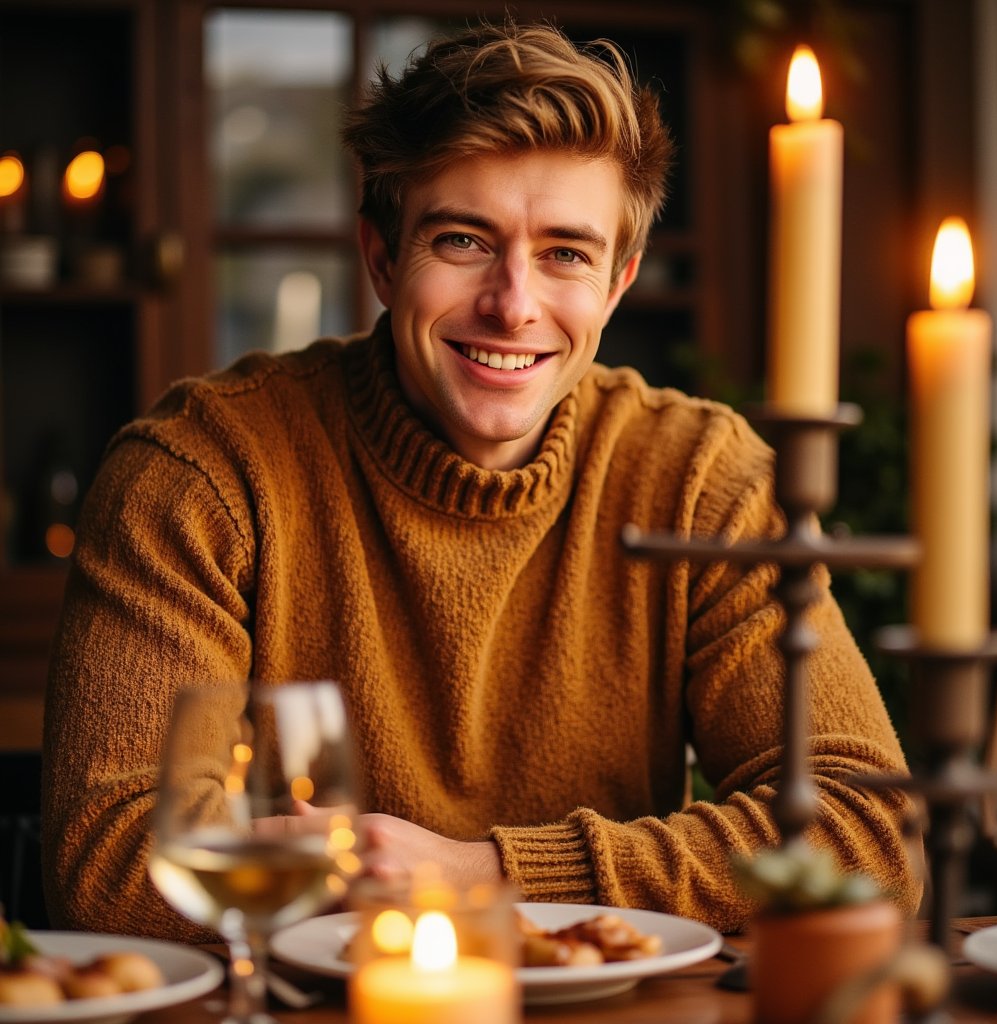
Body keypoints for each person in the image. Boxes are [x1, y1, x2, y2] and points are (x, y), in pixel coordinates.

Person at [42, 20, 920, 941]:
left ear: (618, 284)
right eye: (463, 241)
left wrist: (485, 874)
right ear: (382, 260)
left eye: (566, 253)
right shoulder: (203, 473)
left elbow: (869, 839)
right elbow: (112, 869)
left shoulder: (702, 479)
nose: (514, 303)